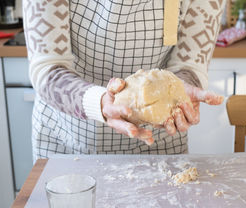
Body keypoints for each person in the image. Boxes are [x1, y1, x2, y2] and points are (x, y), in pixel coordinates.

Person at [23, 0, 226, 161]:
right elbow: (48, 68)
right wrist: (99, 102)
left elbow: (190, 63)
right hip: (67, 140)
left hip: (159, 143)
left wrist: (181, 90)